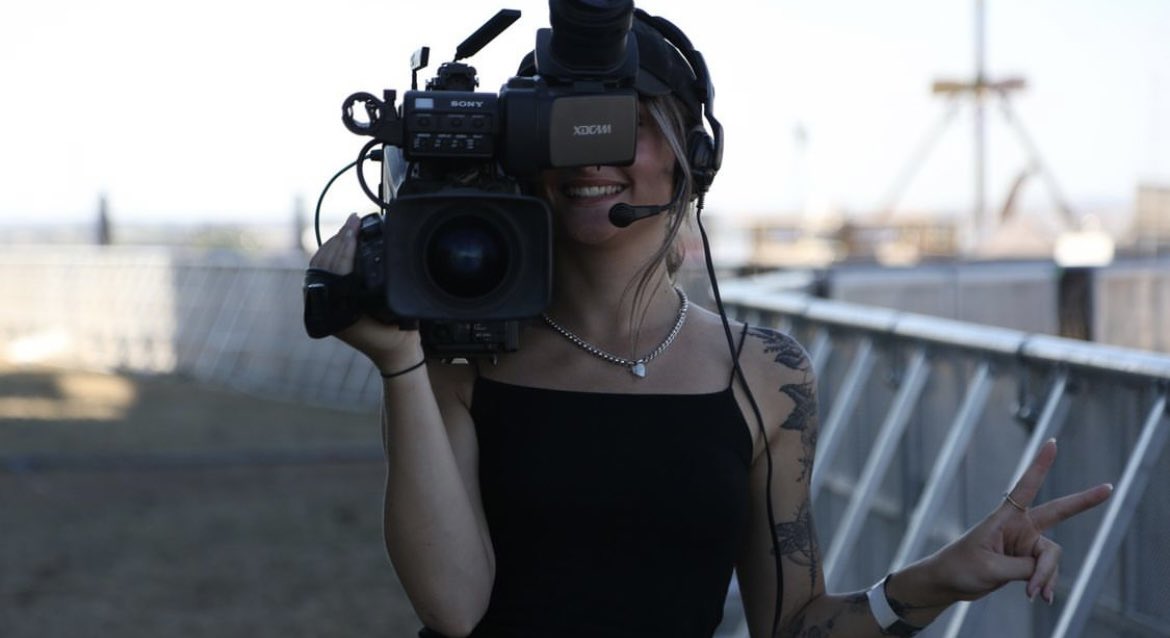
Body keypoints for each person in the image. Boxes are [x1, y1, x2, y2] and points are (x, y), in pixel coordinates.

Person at [308, 6, 1113, 637]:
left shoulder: (768, 373)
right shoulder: (452, 356)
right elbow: (454, 608)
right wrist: (397, 364)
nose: (590, 154)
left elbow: (793, 627)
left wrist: (935, 579)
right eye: (562, 125)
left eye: (622, 123)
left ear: (692, 154)